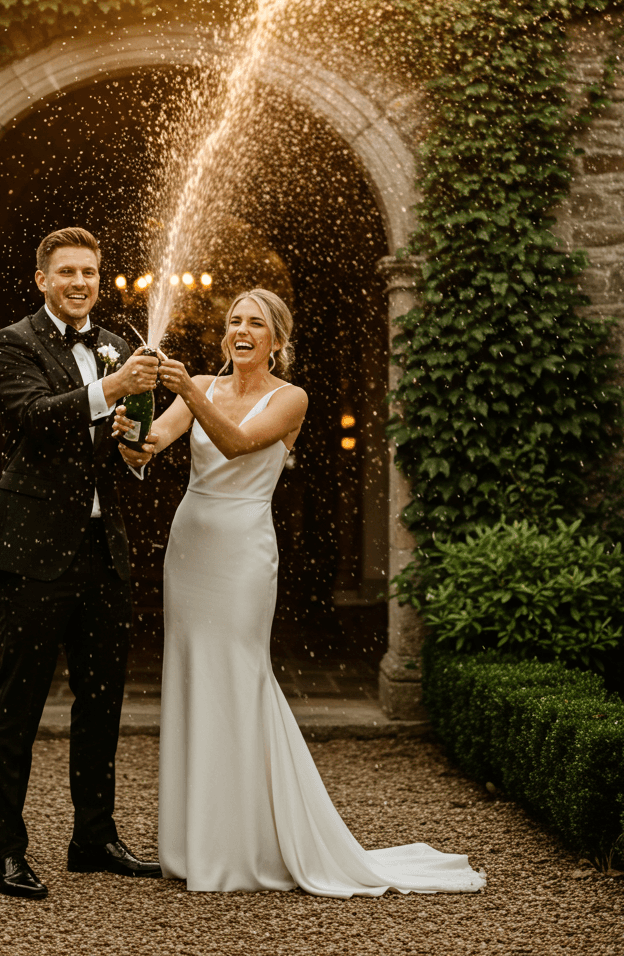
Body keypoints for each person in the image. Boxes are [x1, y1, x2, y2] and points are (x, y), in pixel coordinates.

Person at [116, 288, 485, 896]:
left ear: (277, 340)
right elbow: (151, 447)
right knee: (192, 673)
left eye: (255, 323)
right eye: (234, 320)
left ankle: (244, 843)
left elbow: (235, 442)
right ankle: (194, 842)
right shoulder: (202, 385)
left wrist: (185, 392)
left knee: (237, 671)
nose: (240, 330)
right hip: (191, 546)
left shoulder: (291, 400)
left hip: (241, 550)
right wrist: (133, 433)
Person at [0, 226, 163, 900]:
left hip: (100, 551)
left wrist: (132, 437)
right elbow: (33, 418)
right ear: (42, 280)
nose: (81, 283)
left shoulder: (116, 339)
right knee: (19, 706)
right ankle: (5, 854)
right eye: (67, 273)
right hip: (32, 553)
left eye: (90, 272)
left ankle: (93, 838)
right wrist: (112, 387)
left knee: (102, 702)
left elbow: (128, 448)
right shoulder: (12, 342)